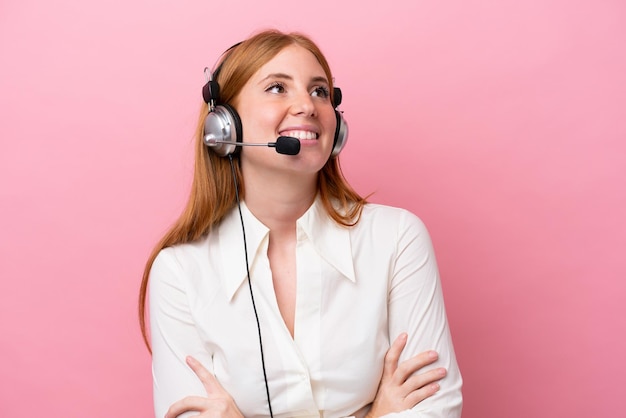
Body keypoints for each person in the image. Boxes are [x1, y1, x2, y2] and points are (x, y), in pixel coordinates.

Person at [139, 29, 462, 418]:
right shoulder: (179, 272)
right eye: (277, 88)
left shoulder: (397, 239)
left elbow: (434, 409)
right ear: (224, 125)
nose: (307, 106)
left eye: (320, 91)